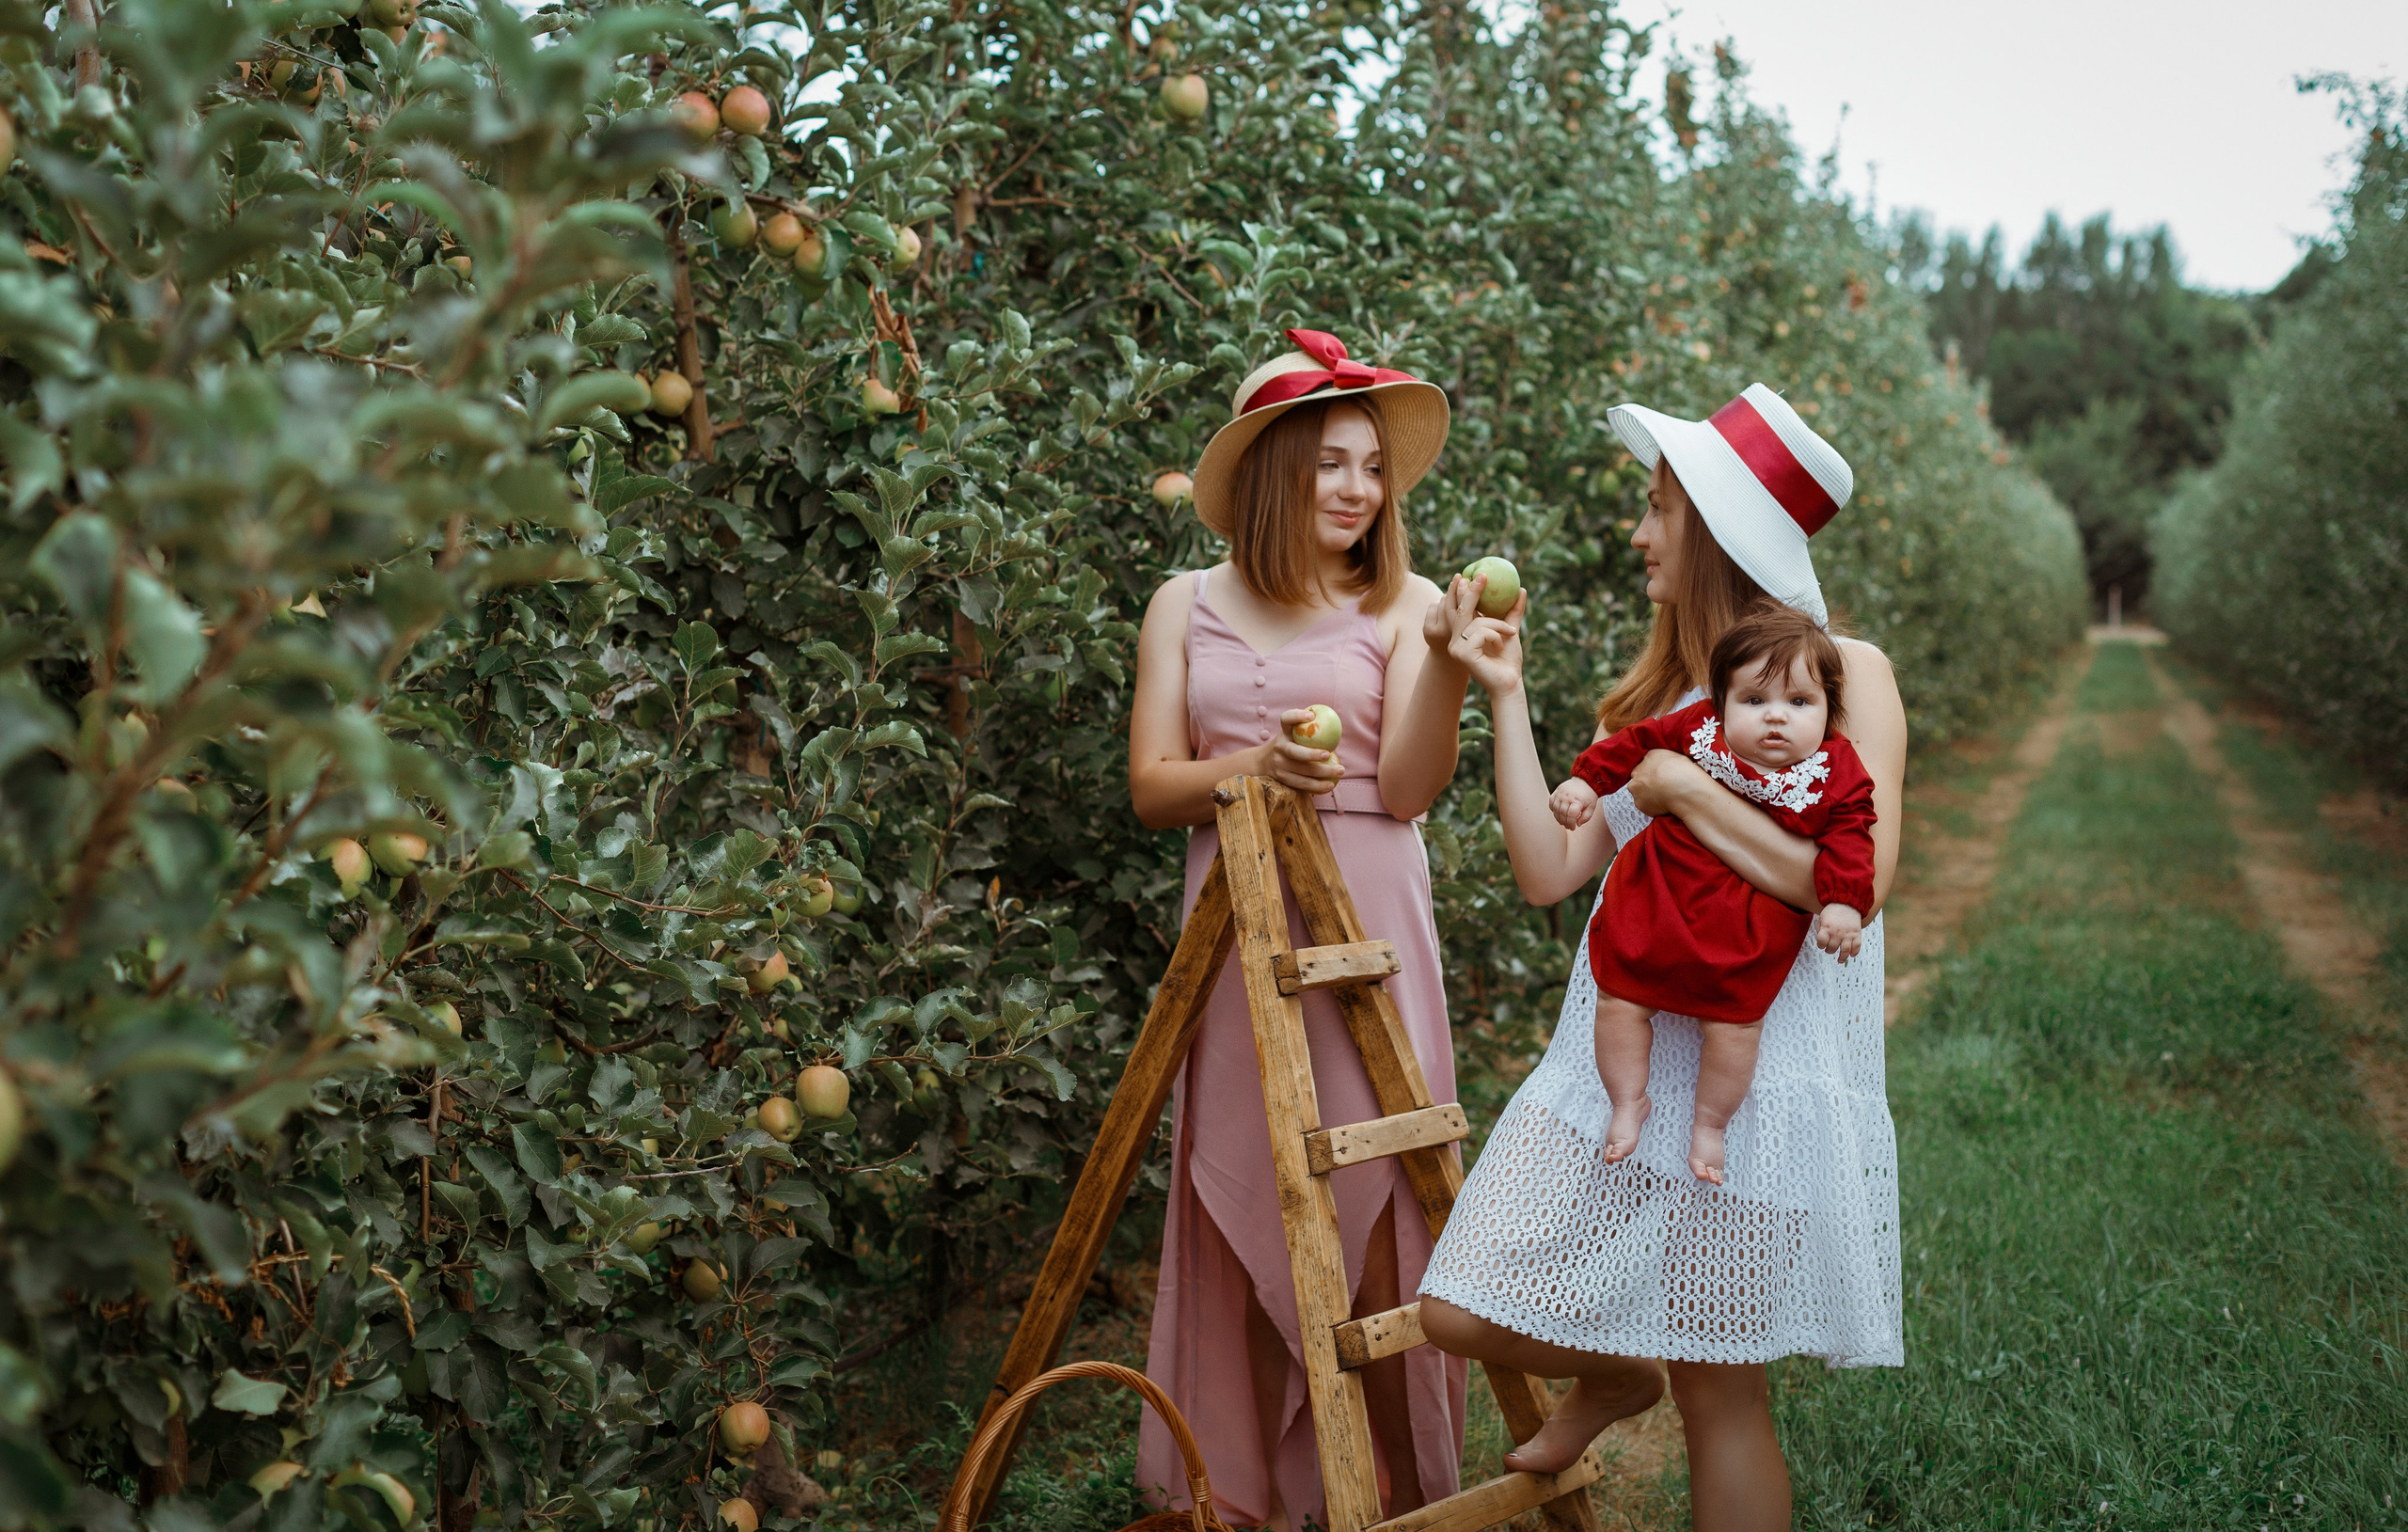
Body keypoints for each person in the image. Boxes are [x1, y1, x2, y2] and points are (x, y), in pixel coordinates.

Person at [1417, 383, 1908, 1532]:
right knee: (1458, 1307)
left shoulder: (1846, 675)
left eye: (1657, 509)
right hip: (1617, 1066)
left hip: (1758, 1081)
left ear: (1718, 531)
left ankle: (1642, 1379)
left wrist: (1685, 793)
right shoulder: (1655, 703)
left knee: (1722, 1394)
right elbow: (1548, 869)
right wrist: (1504, 694)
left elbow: (1855, 883)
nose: (1639, 534)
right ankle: (1614, 1372)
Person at [1126, 328, 1496, 1529]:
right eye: (1332, 463)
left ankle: (1386, 1491)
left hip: (1365, 918)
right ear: (1275, 471)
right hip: (1234, 919)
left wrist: (1446, 666)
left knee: (1377, 1188)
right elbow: (1152, 787)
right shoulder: (1183, 605)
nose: (1358, 489)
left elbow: (1408, 787)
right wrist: (1254, 769)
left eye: (1372, 467)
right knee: (1247, 1181)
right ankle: (1245, 1491)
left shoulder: (1408, 604)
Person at [1551, 604, 1877, 1184]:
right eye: (1754, 699)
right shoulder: (1699, 730)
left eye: (1799, 702)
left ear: (1829, 708)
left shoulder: (1835, 770)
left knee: (1734, 1029)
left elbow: (1852, 835)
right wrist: (1587, 781)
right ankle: (1627, 1099)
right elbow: (1636, 741)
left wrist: (1844, 901)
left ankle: (1710, 1124)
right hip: (1657, 902)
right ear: (1721, 701)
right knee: (1619, 1001)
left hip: (1747, 933)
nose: (1776, 717)